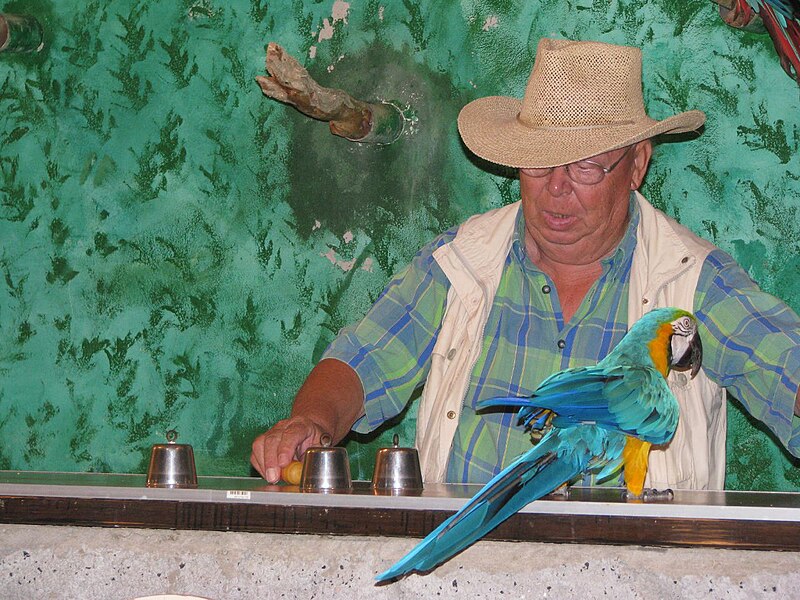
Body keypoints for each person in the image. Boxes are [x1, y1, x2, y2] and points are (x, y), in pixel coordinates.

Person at [251, 38, 800, 490]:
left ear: (637, 165)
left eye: (585, 167)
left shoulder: (693, 281)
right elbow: (365, 358)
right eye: (538, 163)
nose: (556, 189)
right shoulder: (462, 261)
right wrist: (311, 422)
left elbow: (783, 368)